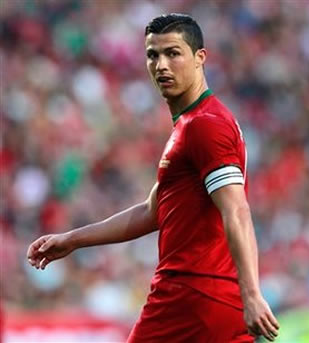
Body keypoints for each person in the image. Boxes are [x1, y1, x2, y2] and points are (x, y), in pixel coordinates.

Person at [27, 13, 280, 342]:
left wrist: (252, 294)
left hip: (190, 296)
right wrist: (72, 240)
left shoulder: (205, 125)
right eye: (152, 55)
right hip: (210, 298)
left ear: (200, 58)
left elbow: (236, 209)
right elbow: (153, 211)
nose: (161, 65)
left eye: (173, 53)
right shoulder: (192, 125)